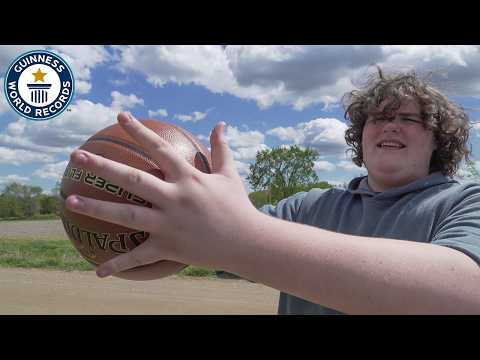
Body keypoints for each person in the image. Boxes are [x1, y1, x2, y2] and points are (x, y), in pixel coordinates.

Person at [65, 68, 480, 314]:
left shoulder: (465, 201)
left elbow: (463, 292)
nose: (390, 125)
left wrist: (237, 237)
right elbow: (219, 249)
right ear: (360, 135)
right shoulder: (308, 206)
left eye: (408, 118)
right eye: (378, 117)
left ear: (439, 139)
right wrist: (142, 213)